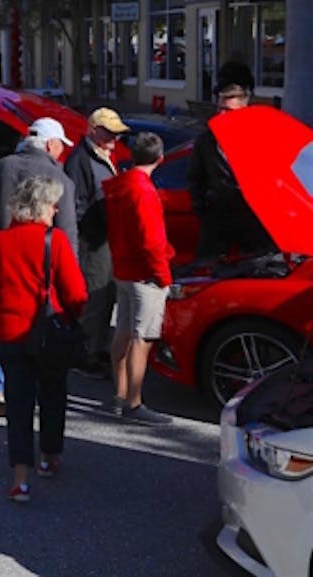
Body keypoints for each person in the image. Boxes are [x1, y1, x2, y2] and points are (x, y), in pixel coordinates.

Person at [0, 175, 88, 503]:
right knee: (53, 394)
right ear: (40, 208)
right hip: (48, 333)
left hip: (9, 333)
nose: (55, 211)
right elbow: (77, 294)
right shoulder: (56, 241)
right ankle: (49, 456)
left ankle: (20, 478)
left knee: (19, 404)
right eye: (53, 205)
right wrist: (69, 314)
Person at [0, 118, 79, 417]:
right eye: (61, 146)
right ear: (50, 144)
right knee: (41, 322)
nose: (61, 153)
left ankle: (1, 387)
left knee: (2, 318)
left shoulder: (2, 167)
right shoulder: (57, 176)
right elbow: (68, 230)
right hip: (43, 261)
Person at [103, 132, 175, 425]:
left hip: (123, 268)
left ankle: (120, 395)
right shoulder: (143, 191)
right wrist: (163, 276)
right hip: (144, 273)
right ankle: (134, 402)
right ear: (160, 159)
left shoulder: (120, 185)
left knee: (123, 332)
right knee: (141, 338)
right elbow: (152, 242)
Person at [63, 107, 128, 379]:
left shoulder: (103, 155)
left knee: (105, 296)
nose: (114, 138)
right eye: (109, 132)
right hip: (93, 240)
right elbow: (75, 203)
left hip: (105, 237)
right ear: (92, 130)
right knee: (95, 298)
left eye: (117, 133)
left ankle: (96, 347)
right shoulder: (81, 159)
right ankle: (85, 356)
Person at [188, 61, 274, 259]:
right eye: (221, 108)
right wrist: (202, 210)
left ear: (244, 110)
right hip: (218, 221)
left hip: (253, 223)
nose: (222, 114)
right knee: (207, 271)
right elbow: (195, 178)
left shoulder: (262, 139)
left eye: (229, 110)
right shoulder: (207, 140)